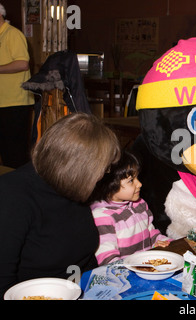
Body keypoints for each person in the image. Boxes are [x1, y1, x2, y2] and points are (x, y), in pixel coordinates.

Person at [0, 113, 121, 297]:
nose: (105, 174)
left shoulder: (74, 188)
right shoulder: (12, 196)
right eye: (103, 168)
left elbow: (84, 259)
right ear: (79, 171)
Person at [89, 151, 171, 266]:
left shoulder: (140, 204)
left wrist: (166, 243)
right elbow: (107, 259)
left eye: (137, 177)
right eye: (131, 180)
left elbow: (152, 234)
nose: (139, 184)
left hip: (147, 266)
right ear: (110, 185)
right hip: (125, 276)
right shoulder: (102, 217)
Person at [0, 3, 35, 168]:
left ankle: (19, 191)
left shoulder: (12, 34)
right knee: (5, 152)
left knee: (14, 154)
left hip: (15, 101)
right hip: (3, 101)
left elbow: (22, 64)